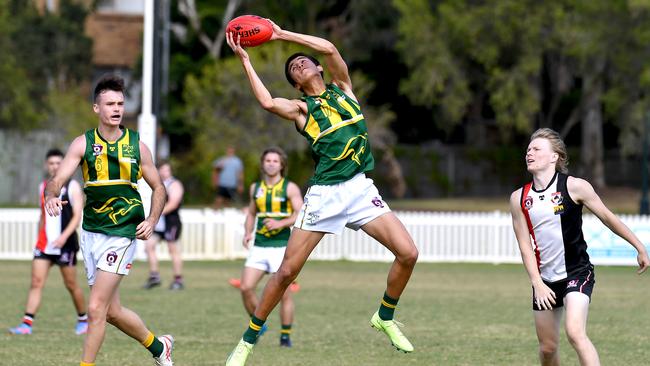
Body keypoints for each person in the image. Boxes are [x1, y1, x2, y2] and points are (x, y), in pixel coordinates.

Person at [225, 20, 419, 365]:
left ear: (317, 68)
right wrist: (245, 61)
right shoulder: (302, 110)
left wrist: (281, 35)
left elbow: (329, 48)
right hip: (325, 194)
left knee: (408, 253)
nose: (298, 64)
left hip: (359, 188)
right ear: (296, 84)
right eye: (292, 68)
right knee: (285, 273)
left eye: (302, 61)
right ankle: (248, 341)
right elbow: (269, 103)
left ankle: (384, 317)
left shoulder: (344, 89)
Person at [43, 75, 174, 366]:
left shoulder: (137, 146)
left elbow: (160, 188)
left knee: (95, 308)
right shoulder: (83, 143)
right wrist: (51, 195)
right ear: (96, 108)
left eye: (120, 103)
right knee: (111, 312)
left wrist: (152, 219)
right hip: (91, 233)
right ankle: (159, 346)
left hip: (123, 232)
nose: (117, 109)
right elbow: (58, 179)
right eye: (110, 104)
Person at [509, 128, 650, 366]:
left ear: (555, 157)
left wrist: (639, 247)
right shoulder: (519, 198)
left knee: (575, 332)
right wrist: (537, 283)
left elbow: (608, 217)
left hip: (577, 272)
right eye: (528, 149)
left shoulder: (575, 187)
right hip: (544, 280)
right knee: (547, 349)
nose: (529, 153)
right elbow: (524, 246)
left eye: (536, 149)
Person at [9, 148, 88, 336]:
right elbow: (42, 215)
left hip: (66, 244)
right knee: (36, 282)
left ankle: (83, 320)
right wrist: (39, 237)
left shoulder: (73, 186)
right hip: (45, 244)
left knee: (71, 284)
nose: (55, 166)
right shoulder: (43, 186)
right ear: (47, 165)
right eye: (51, 163)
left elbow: (77, 216)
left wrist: (63, 237)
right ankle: (26, 324)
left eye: (58, 163)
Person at [239, 147, 303, 347]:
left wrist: (280, 223)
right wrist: (247, 231)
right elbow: (251, 213)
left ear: (282, 165)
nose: (271, 164)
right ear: (263, 163)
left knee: (284, 295)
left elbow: (300, 214)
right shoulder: (255, 188)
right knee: (246, 287)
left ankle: (285, 336)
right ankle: (259, 325)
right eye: (268, 160)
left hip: (282, 248)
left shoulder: (290, 188)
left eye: (275, 161)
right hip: (260, 246)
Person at [143, 160, 185, 290]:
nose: (163, 172)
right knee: (149, 246)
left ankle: (178, 279)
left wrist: (155, 214)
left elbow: (173, 203)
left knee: (173, 250)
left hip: (171, 222)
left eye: (166, 169)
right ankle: (154, 276)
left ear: (170, 171)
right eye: (161, 169)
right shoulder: (158, 184)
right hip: (159, 223)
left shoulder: (174, 184)